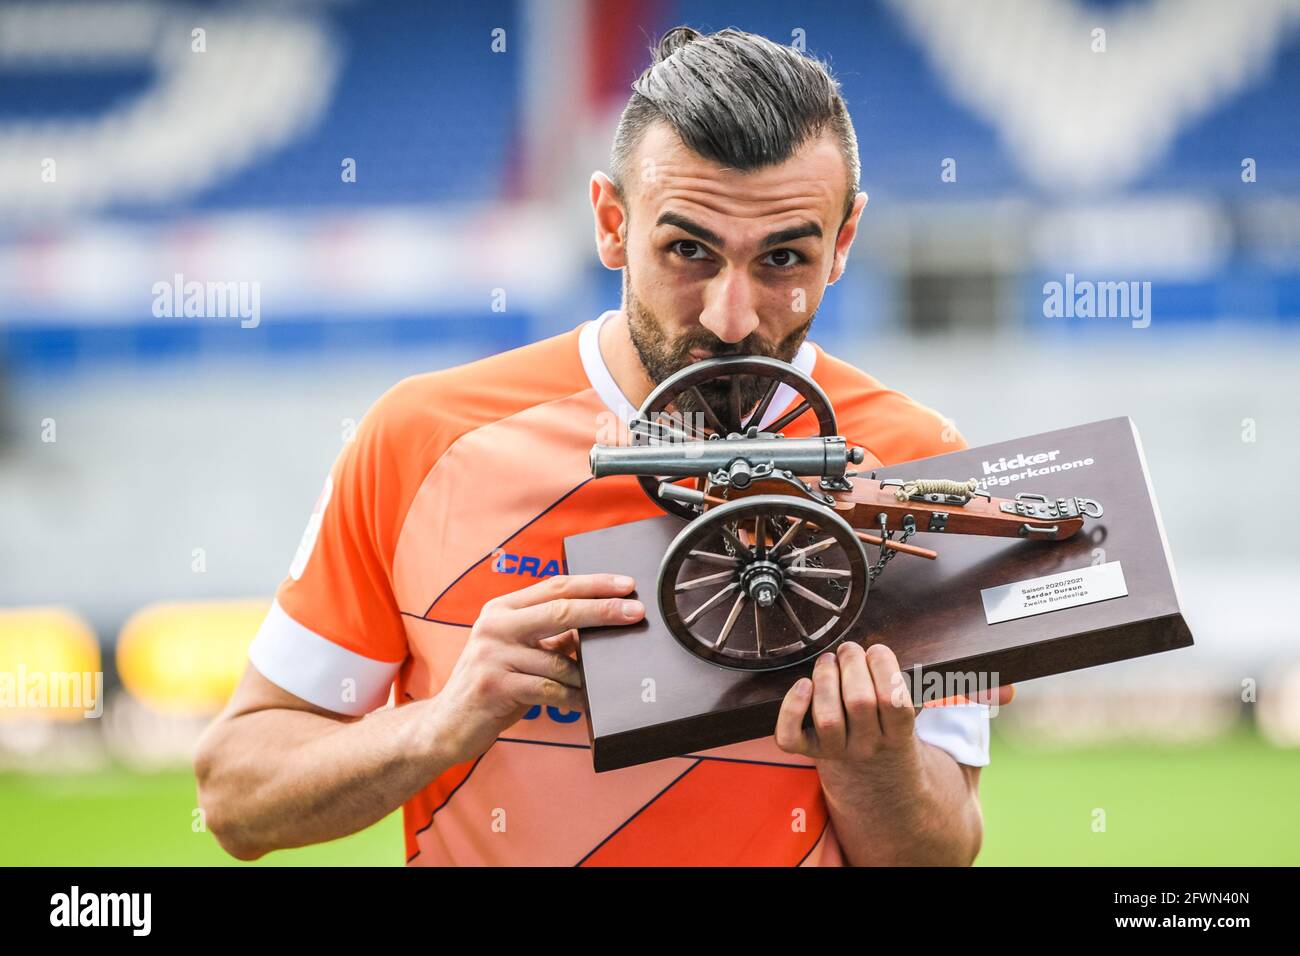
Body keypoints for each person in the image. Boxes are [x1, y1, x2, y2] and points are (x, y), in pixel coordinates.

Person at [194, 25, 1009, 866]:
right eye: (688, 250)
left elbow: (938, 853)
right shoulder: (422, 438)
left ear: (843, 243)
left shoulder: (922, 469)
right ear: (612, 223)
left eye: (783, 257)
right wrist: (441, 722)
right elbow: (236, 800)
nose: (732, 318)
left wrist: (873, 765)